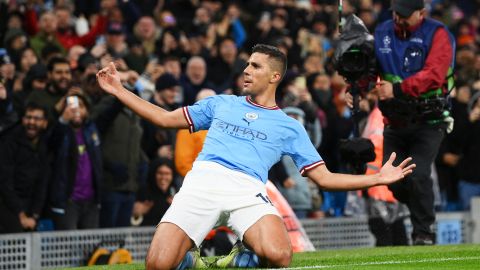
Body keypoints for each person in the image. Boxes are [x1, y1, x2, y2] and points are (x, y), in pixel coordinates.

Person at [97, 44, 415, 269]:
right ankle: (190, 260)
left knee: (279, 255)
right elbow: (165, 118)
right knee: (157, 265)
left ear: (274, 77)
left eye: (255, 66)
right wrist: (120, 91)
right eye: (247, 64)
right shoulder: (221, 103)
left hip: (248, 190)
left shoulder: (290, 126)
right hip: (201, 183)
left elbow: (324, 178)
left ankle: (241, 258)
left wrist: (378, 177)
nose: (246, 70)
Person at [345, 0, 455, 245]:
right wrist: (357, 88)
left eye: (405, 15)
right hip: (394, 121)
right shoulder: (383, 31)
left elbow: (436, 74)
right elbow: (371, 69)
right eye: (396, 14)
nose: (398, 19)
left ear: (422, 13)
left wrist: (398, 89)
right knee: (392, 180)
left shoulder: (438, 34)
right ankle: (418, 207)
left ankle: (423, 233)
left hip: (430, 119)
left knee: (418, 173)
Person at [48, 93, 103, 230]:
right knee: (67, 249)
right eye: (71, 106)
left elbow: (112, 111)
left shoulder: (92, 129)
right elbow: (51, 143)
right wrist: (62, 120)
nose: (76, 110)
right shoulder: (59, 130)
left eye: (81, 106)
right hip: (67, 202)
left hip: (91, 201)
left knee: (91, 249)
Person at [0, 102, 49, 233]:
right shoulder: (10, 142)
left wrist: (34, 215)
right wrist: (21, 214)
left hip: (31, 206)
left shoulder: (44, 146)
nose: (31, 122)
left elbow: (42, 183)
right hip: (8, 205)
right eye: (28, 117)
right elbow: (5, 183)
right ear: (22, 120)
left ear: (45, 123)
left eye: (37, 119)